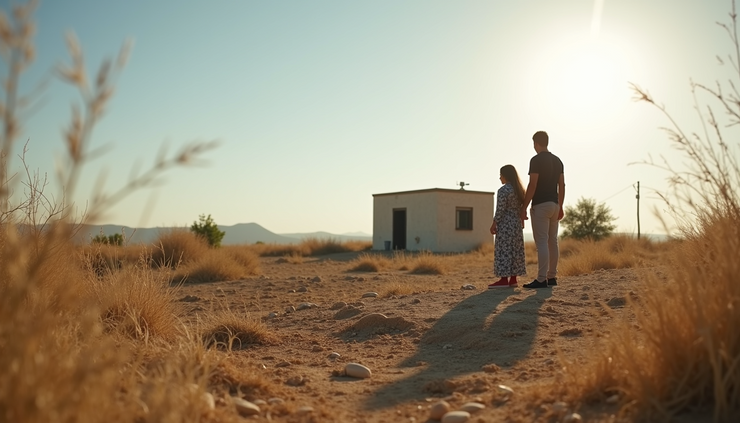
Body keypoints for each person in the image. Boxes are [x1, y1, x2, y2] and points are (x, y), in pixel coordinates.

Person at [520, 131, 565, 289]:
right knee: (552, 241)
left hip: (541, 205)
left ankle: (541, 279)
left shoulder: (536, 160)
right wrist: (561, 205)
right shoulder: (558, 161)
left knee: (542, 243)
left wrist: (524, 207)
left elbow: (533, 185)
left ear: (536, 143)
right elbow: (562, 185)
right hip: (554, 204)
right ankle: (552, 276)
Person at [488, 164, 527, 289]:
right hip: (516, 224)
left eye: (500, 175)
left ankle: (504, 279)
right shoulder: (519, 190)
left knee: (503, 250)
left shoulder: (503, 190)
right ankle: (513, 279)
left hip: (505, 225)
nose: (500, 178)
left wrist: (494, 223)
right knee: (515, 250)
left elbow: (500, 210)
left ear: (505, 176)